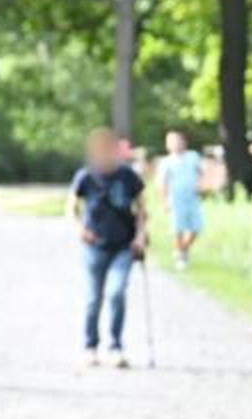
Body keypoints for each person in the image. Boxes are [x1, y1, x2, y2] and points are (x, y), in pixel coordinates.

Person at [70, 127, 149, 369]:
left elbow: (142, 211)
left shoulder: (128, 177)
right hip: (95, 246)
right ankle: (90, 346)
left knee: (116, 293)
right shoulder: (85, 177)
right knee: (94, 299)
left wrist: (140, 237)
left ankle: (115, 346)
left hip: (123, 245)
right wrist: (79, 229)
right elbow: (71, 207)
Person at [156, 129, 205, 270]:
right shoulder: (166, 162)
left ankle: (183, 249)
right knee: (177, 228)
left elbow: (201, 172)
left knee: (196, 227)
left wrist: (201, 186)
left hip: (192, 197)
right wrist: (164, 201)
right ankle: (180, 255)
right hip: (175, 198)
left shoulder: (193, 156)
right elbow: (161, 183)